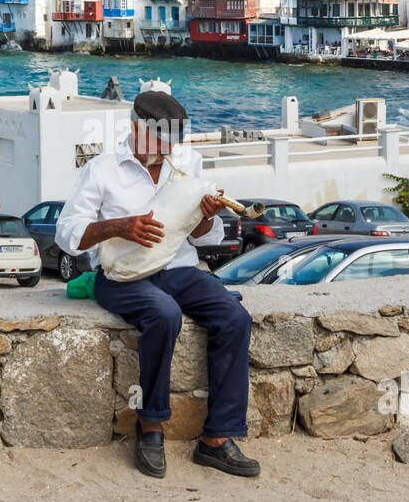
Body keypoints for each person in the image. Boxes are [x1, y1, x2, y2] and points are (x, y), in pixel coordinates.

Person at [54, 90, 259, 480]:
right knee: (163, 315)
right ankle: (150, 426)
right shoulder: (102, 169)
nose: (166, 151)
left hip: (179, 269)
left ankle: (217, 439)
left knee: (234, 317)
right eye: (159, 141)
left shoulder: (187, 164)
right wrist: (119, 226)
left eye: (171, 142)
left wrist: (205, 217)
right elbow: (66, 233)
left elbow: (204, 239)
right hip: (120, 276)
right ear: (135, 129)